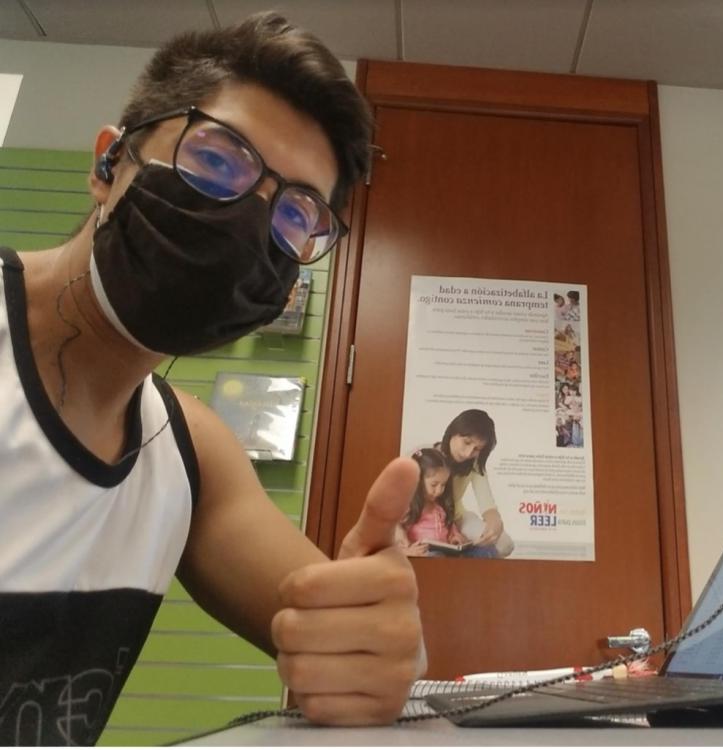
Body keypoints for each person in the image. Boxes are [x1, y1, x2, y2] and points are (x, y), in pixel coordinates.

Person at [0, 13, 423, 745]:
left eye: (295, 213)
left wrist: (386, 645)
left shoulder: (192, 454)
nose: (248, 222)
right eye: (219, 160)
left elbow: (351, 641)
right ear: (109, 165)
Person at [433, 409, 515, 557]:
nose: (468, 453)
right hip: (427, 518)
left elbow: (487, 503)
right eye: (467, 442)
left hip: (457, 516)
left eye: (477, 449)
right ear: (453, 432)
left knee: (505, 545)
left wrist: (495, 523)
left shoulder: (474, 464)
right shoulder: (426, 456)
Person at [397, 448, 496, 558]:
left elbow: (449, 526)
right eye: (434, 485)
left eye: (443, 485)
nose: (439, 490)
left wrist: (455, 537)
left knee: (487, 550)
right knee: (436, 556)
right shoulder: (407, 507)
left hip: (446, 551)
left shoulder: (439, 507)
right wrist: (406, 551)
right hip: (424, 555)